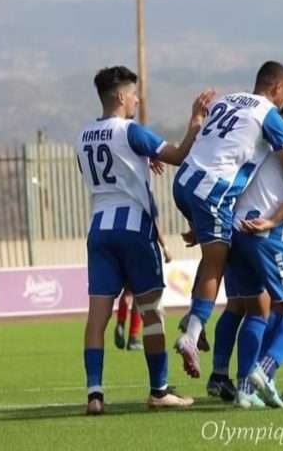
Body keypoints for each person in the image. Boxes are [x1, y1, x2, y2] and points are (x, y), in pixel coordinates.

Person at [77, 65, 212, 414]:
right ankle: (159, 391)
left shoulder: (82, 136)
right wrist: (195, 122)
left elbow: (107, 174)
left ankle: (94, 394)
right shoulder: (132, 132)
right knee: (152, 313)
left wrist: (138, 161)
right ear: (121, 96)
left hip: (99, 231)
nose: (137, 99)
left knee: (97, 318)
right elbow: (180, 156)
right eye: (134, 94)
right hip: (134, 230)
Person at [171, 61, 283, 379]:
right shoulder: (269, 114)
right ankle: (192, 332)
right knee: (217, 263)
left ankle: (194, 320)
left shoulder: (226, 99)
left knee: (217, 253)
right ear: (276, 89)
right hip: (212, 192)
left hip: (184, 182)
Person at [225, 87, 283, 408]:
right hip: (265, 231)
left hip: (235, 228)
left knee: (257, 310)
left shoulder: (259, 136)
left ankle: (244, 391)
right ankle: (264, 370)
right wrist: (273, 220)